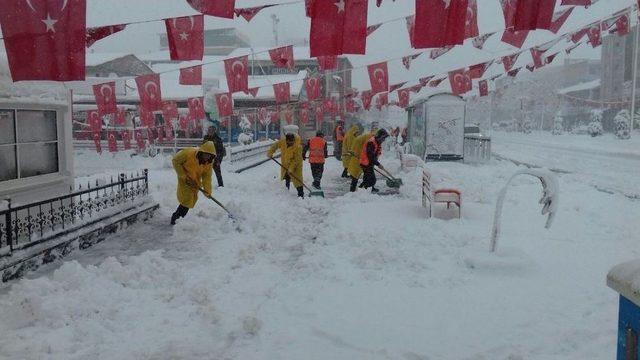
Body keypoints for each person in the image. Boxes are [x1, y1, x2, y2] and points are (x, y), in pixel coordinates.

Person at [170, 141, 216, 225]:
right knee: (187, 200)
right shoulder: (188, 153)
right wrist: (183, 175)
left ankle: (178, 218)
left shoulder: (209, 163)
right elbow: (175, 161)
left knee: (191, 200)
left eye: (209, 155)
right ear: (201, 152)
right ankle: (176, 219)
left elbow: (207, 177)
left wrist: (207, 191)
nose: (207, 157)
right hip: (184, 178)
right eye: (205, 154)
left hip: (195, 181)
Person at [267, 133, 305, 198]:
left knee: (298, 180)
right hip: (285, 164)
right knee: (286, 177)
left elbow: (296, 160)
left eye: (292, 141)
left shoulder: (298, 146)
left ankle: (301, 194)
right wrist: (270, 152)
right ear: (286, 140)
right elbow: (275, 146)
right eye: (289, 142)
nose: (291, 143)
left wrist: (291, 168)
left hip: (296, 165)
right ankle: (286, 192)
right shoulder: (282, 142)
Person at [359, 129, 389, 193]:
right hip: (365, 163)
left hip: (368, 162)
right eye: (383, 138)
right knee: (372, 179)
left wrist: (375, 162)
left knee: (368, 178)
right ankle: (364, 190)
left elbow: (375, 154)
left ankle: (362, 189)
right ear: (380, 137)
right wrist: (378, 164)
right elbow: (371, 156)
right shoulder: (371, 142)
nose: (384, 140)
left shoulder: (376, 142)